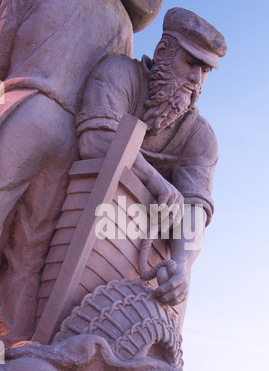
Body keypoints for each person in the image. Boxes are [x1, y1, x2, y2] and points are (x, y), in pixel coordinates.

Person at [0, 0, 162, 346]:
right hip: (70, 141)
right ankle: (17, 354)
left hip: (29, 106)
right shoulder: (122, 26)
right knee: (28, 254)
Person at [76, 7, 227, 309]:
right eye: (190, 62)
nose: (196, 78)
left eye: (205, 70)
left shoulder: (200, 137)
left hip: (138, 258)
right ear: (162, 51)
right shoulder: (119, 74)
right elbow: (94, 140)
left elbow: (195, 209)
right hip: (78, 217)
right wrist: (154, 179)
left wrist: (182, 265)